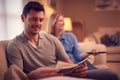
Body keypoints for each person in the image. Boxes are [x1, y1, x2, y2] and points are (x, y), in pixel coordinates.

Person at [6, 1, 88, 80]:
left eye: (41, 20)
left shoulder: (53, 40)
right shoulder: (14, 45)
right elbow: (17, 77)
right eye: (34, 19)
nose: (38, 23)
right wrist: (31, 76)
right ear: (23, 18)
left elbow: (70, 65)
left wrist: (78, 70)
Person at [47, 12, 120, 80]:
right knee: (111, 74)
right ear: (53, 23)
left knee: (108, 73)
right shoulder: (48, 39)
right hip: (71, 70)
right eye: (60, 21)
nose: (64, 23)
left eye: (63, 21)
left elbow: (78, 56)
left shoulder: (70, 36)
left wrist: (89, 52)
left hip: (81, 66)